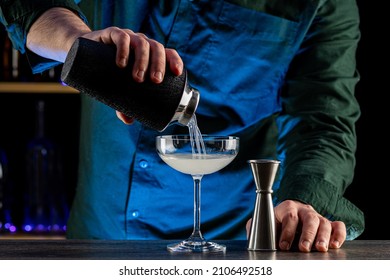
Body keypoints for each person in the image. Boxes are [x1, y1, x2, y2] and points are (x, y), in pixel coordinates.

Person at [0, 0, 364, 252]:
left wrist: (303, 200)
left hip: (227, 245)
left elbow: (323, 118)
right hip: (97, 237)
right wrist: (78, 44)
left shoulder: (325, 6)